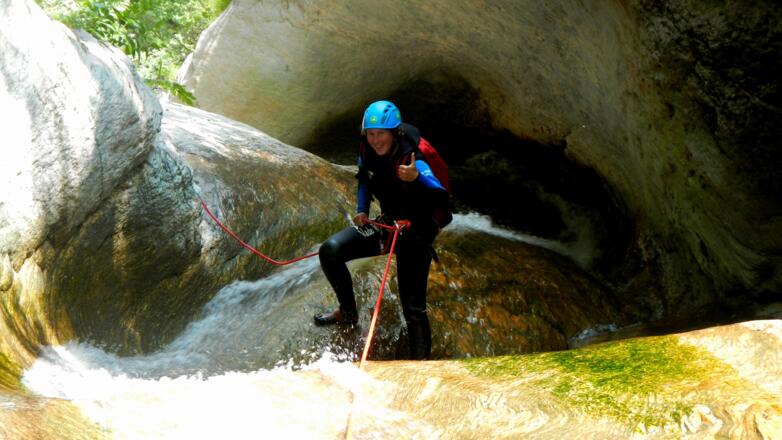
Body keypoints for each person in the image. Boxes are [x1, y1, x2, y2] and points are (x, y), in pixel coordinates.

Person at [314, 100, 451, 360]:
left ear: (395, 132)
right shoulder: (367, 151)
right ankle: (348, 312)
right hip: (388, 225)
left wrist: (416, 178)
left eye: (381, 134)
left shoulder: (413, 157)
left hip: (416, 234)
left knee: (413, 308)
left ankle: (421, 367)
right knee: (330, 250)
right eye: (371, 133)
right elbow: (365, 179)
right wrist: (362, 209)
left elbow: (440, 195)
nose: (376, 140)